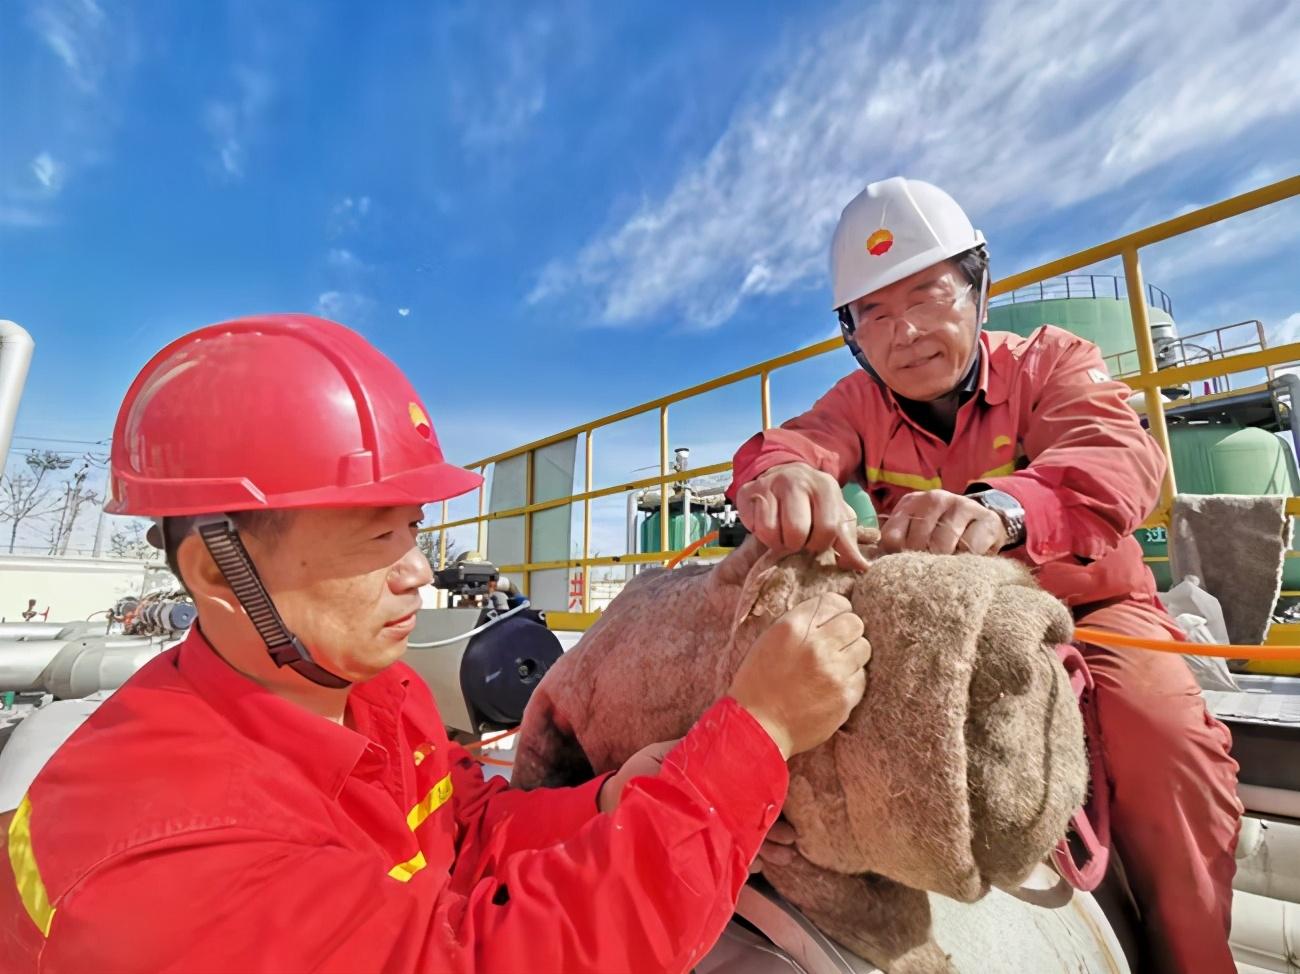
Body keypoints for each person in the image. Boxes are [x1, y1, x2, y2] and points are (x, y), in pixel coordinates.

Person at [0, 314, 871, 973]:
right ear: (221, 572)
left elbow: (460, 826)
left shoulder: (369, 694)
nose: (420, 572)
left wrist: (602, 806)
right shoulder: (166, 854)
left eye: (414, 527)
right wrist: (753, 738)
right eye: (376, 538)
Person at [728, 178, 1242, 974]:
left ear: (978, 285)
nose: (904, 333)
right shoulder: (859, 402)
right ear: (853, 336)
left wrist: (1005, 509)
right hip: (950, 628)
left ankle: (1193, 959)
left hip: (1091, 609)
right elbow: (789, 444)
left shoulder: (1052, 362)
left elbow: (1118, 457)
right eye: (874, 316)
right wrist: (786, 478)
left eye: (928, 295)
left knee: (1164, 739)